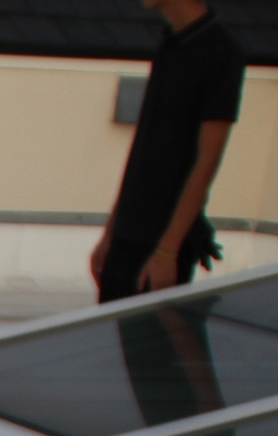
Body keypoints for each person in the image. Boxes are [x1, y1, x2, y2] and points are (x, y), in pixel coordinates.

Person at [92, 0, 244, 302]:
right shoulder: (170, 45)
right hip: (128, 235)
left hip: (161, 243)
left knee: (149, 347)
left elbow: (207, 159)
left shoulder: (221, 51)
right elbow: (145, 150)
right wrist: (111, 233)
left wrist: (168, 250)